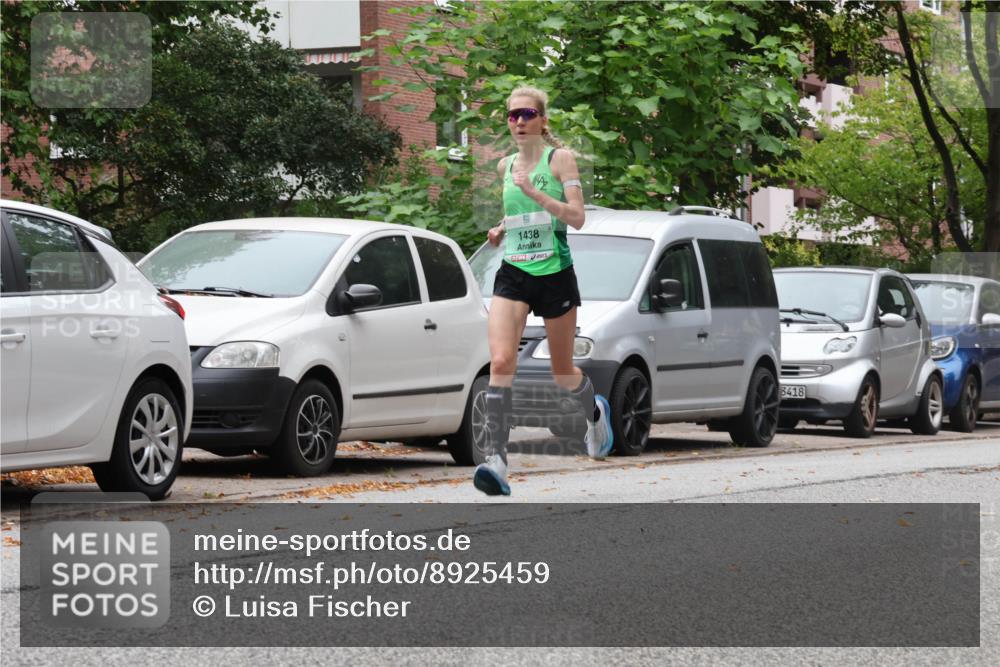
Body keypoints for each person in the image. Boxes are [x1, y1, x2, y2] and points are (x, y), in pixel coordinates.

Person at [473, 85, 613, 496]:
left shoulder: (560, 159)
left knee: (563, 373)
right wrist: (501, 227)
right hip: (514, 271)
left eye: (527, 114)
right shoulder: (504, 167)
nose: (518, 122)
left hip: (555, 273)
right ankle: (496, 460)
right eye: (512, 115)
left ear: (542, 120)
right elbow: (518, 210)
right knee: (500, 361)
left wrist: (535, 192)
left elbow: (578, 217)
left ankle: (594, 413)